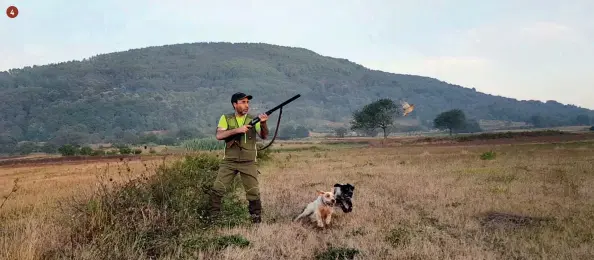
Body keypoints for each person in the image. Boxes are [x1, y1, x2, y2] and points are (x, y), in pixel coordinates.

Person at [206, 92, 269, 224]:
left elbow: (264, 136)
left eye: (247, 102)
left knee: (253, 192)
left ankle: (256, 221)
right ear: (235, 104)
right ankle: (213, 221)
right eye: (243, 102)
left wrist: (263, 123)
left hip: (249, 162)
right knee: (218, 189)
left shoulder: (253, 119)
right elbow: (219, 135)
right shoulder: (226, 118)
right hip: (229, 162)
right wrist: (237, 130)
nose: (246, 105)